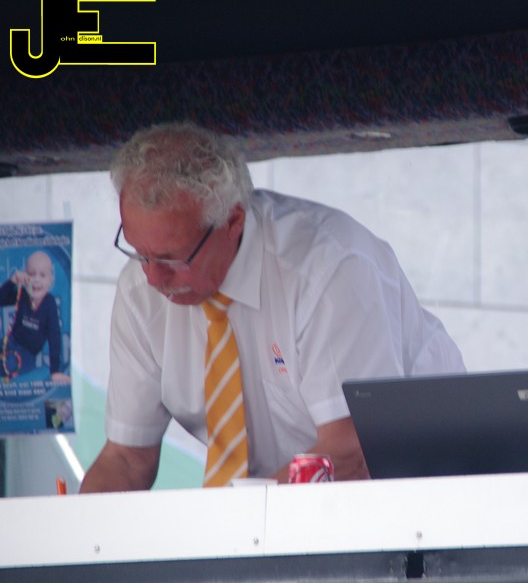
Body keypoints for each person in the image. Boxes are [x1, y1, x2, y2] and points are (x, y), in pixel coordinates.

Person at [80, 122, 465, 492]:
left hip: (423, 492)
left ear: (233, 221)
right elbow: (127, 458)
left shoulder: (327, 268)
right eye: (139, 252)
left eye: (172, 258)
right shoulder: (139, 292)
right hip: (272, 505)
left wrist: (231, 521)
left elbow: (350, 453)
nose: (152, 278)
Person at [0, 250, 67, 382]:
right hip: (10, 342)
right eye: (31, 274)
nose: (36, 279)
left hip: (27, 355)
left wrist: (55, 371)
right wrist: (12, 281)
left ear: (50, 281)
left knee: (9, 364)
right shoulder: (22, 294)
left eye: (42, 275)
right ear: (25, 277)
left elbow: (54, 337)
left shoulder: (49, 303)